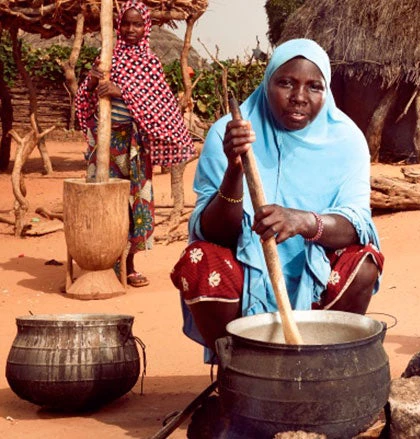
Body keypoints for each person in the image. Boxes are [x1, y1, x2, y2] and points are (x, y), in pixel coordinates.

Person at [170, 39, 384, 357]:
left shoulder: (347, 140)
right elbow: (214, 233)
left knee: (364, 263)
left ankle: (322, 364)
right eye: (285, 83)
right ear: (266, 82)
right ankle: (237, 371)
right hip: (244, 272)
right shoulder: (228, 133)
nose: (298, 98)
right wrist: (234, 171)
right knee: (200, 260)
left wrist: (305, 222)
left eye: (314, 86)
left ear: (327, 92)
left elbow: (357, 224)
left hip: (316, 271)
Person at [75, 0, 195, 288]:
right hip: (105, 142)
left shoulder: (149, 63)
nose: (131, 29)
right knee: (104, 202)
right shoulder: (106, 59)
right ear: (118, 25)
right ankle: (104, 262)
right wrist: (92, 83)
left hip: (135, 146)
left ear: (146, 27)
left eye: (137, 23)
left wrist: (121, 92)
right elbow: (84, 100)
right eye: (126, 23)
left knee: (134, 203)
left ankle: (128, 265)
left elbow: (158, 108)